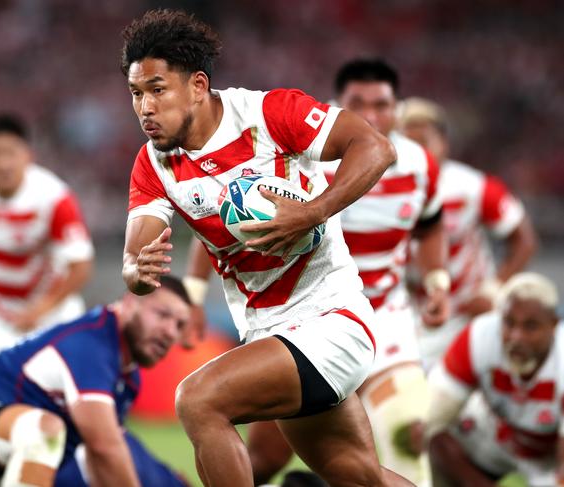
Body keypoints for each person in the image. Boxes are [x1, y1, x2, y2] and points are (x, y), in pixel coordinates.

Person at [120, 9, 412, 487]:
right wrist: (137, 272)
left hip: (332, 319)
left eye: (157, 89)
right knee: (361, 478)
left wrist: (313, 211)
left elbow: (376, 146)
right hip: (267, 333)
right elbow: (138, 251)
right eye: (136, 93)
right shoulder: (154, 164)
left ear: (197, 85)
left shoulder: (269, 114)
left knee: (198, 399)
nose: (145, 107)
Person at [248, 59, 449, 487]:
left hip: (386, 317)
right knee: (266, 458)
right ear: (337, 106)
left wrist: (436, 281)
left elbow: (430, 225)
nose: (373, 115)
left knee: (404, 429)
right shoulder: (302, 163)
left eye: (383, 104)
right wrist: (192, 291)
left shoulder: (420, 165)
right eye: (359, 104)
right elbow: (237, 219)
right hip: (316, 318)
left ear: (399, 108)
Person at [0, 275, 191, 487]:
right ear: (130, 302)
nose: (170, 332)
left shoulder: (127, 376)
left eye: (179, 325)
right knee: (43, 431)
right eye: (163, 315)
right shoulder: (94, 342)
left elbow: (108, 460)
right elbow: (104, 447)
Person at [398, 97, 537, 370]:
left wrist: (494, 289)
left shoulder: (473, 187)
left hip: (468, 313)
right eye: (406, 142)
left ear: (444, 144)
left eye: (424, 141)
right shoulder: (383, 190)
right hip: (410, 315)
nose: (415, 151)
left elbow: (524, 239)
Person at [0, 113, 94, 365]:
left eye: (11, 153)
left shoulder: (54, 198)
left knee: (60, 390)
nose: (4, 163)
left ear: (28, 155)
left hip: (52, 312)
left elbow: (81, 266)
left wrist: (40, 309)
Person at [424, 273, 563, 487]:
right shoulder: (479, 336)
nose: (517, 337)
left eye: (531, 326)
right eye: (509, 323)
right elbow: (429, 421)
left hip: (547, 460)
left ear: (553, 325)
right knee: (431, 438)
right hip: (491, 437)